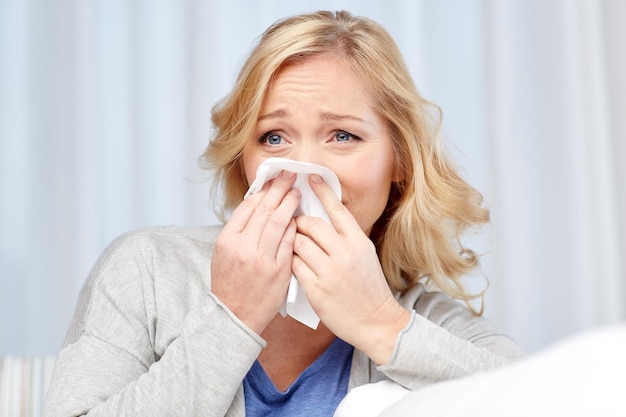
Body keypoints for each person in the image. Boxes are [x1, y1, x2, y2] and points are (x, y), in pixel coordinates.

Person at [43, 10, 524, 417]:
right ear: (244, 159)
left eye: (343, 136)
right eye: (274, 137)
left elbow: (538, 398)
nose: (304, 167)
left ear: (398, 160)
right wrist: (232, 319)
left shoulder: (421, 317)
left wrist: (381, 324)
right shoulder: (146, 269)